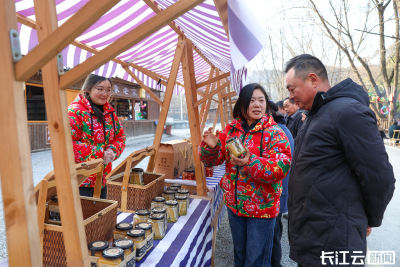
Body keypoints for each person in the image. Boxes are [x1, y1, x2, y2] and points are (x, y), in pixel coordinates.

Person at [285, 54, 395, 267]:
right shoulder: (315, 116)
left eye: (292, 89)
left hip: (335, 241)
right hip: (315, 236)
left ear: (313, 80)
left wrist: (369, 218)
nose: (290, 97)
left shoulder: (347, 112)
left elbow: (379, 177)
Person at [199, 83, 292, 267]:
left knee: (255, 260)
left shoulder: (275, 133)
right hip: (235, 207)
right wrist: (211, 147)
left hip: (262, 210)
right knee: (240, 256)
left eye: (261, 100)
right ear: (242, 104)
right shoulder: (231, 130)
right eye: (251, 100)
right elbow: (214, 160)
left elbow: (281, 167)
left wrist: (250, 162)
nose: (257, 105)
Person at [68, 74, 126, 199]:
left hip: (103, 177)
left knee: (100, 215)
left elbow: (120, 136)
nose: (105, 93)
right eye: (100, 89)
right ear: (88, 89)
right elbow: (67, 145)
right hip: (80, 180)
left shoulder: (109, 112)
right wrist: (101, 154)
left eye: (108, 90)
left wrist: (112, 150)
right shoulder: (74, 112)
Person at [269, 101, 294, 267]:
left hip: (276, 194)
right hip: (279, 193)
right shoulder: (283, 129)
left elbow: (278, 168)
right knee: (274, 233)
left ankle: (275, 264)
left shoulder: (278, 133)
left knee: (273, 234)